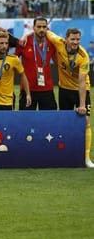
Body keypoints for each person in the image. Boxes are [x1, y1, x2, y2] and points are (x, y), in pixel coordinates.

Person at [46, 28, 93, 168]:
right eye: (72, 39)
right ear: (66, 39)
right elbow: (45, 31)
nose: (75, 42)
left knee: (85, 121)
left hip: (81, 90)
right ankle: (65, 154)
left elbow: (82, 82)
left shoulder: (83, 56)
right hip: (64, 90)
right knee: (64, 122)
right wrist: (26, 36)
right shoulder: (57, 42)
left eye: (78, 39)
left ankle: (86, 157)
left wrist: (83, 105)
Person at [15, 17, 57, 110]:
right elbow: (13, 60)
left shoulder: (52, 42)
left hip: (47, 89)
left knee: (49, 121)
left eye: (44, 27)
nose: (41, 29)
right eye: (38, 27)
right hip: (27, 90)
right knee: (25, 121)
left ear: (47, 28)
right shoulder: (23, 42)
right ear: (33, 28)